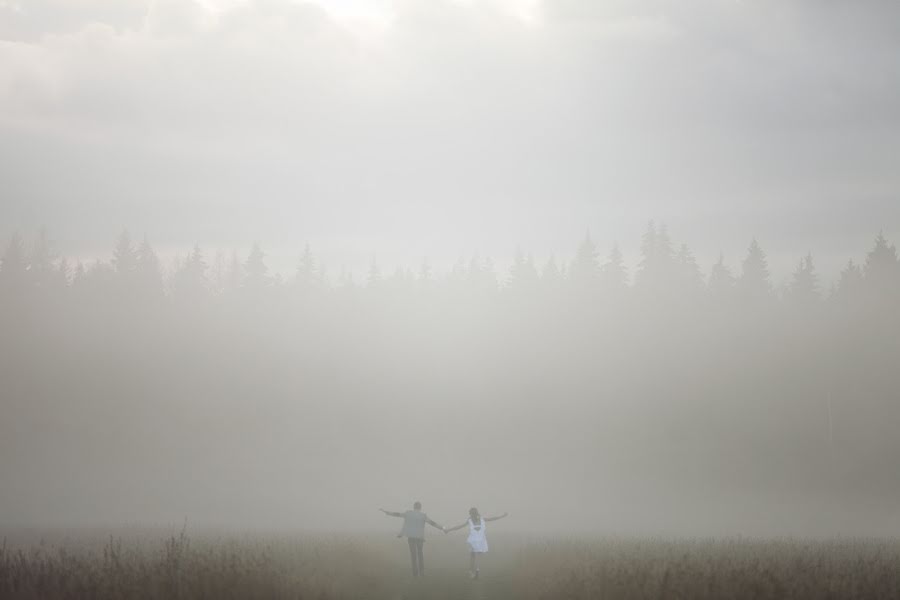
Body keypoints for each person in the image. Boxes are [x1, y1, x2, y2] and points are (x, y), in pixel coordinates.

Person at [379, 502, 445, 577]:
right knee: (420, 554)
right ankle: (422, 572)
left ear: (414, 507)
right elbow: (432, 523)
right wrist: (442, 528)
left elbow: (397, 514)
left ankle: (415, 573)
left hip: (411, 537)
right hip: (420, 538)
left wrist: (387, 512)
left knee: (413, 555)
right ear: (420, 507)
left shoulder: (408, 513)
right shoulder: (423, 516)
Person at [444, 507, 508, 579]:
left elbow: (492, 518)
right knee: (474, 556)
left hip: (478, 540)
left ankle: (474, 571)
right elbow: (459, 526)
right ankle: (473, 572)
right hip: (474, 540)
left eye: (472, 514)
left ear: (474, 514)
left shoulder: (480, 519)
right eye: (471, 514)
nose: (472, 516)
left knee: (475, 556)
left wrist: (502, 516)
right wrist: (449, 530)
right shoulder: (471, 520)